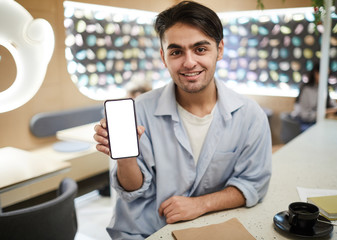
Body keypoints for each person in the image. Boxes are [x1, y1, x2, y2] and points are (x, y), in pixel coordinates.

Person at [94, 1, 272, 239]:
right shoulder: (139, 110)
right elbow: (132, 190)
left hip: (207, 231)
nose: (189, 63)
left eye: (200, 49)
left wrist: (201, 204)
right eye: (176, 52)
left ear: (219, 50)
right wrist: (125, 159)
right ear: (164, 56)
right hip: (142, 232)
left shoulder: (250, 116)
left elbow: (254, 185)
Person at [291, 63, 337, 132]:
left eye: (327, 74)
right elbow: (305, 116)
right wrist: (325, 112)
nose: (326, 77)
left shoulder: (324, 89)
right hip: (303, 123)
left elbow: (333, 104)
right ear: (315, 73)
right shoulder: (306, 90)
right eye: (323, 73)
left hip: (317, 122)